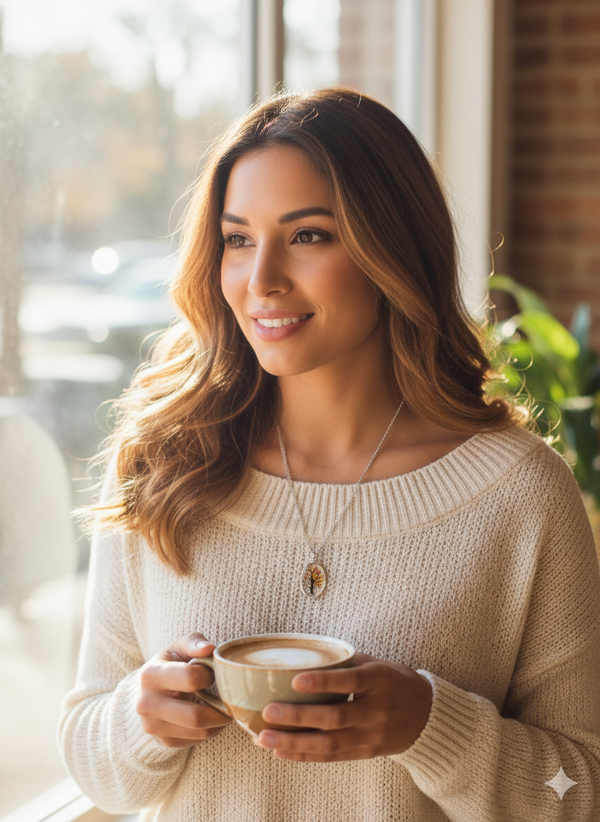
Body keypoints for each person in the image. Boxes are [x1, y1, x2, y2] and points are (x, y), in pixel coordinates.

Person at [58, 88, 600, 821]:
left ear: (392, 248)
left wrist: (427, 724)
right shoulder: (165, 462)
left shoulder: (520, 493)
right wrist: (141, 720)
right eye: (238, 238)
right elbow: (93, 758)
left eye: (309, 235)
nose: (261, 280)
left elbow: (581, 791)